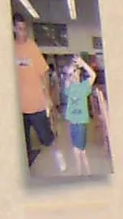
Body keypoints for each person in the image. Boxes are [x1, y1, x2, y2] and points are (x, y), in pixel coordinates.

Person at [13, 15, 55, 169]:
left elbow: (43, 72)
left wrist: (48, 97)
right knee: (23, 144)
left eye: (25, 29)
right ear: (14, 29)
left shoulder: (32, 47)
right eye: (19, 29)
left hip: (36, 103)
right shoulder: (11, 48)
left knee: (46, 139)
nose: (23, 33)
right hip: (19, 106)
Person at [61, 56, 96, 174]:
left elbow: (93, 75)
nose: (72, 76)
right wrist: (69, 73)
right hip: (73, 124)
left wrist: (83, 64)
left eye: (75, 73)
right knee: (80, 151)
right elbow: (66, 82)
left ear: (79, 73)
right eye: (70, 74)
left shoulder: (84, 87)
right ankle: (85, 172)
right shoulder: (69, 88)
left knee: (79, 151)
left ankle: (82, 172)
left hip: (80, 124)